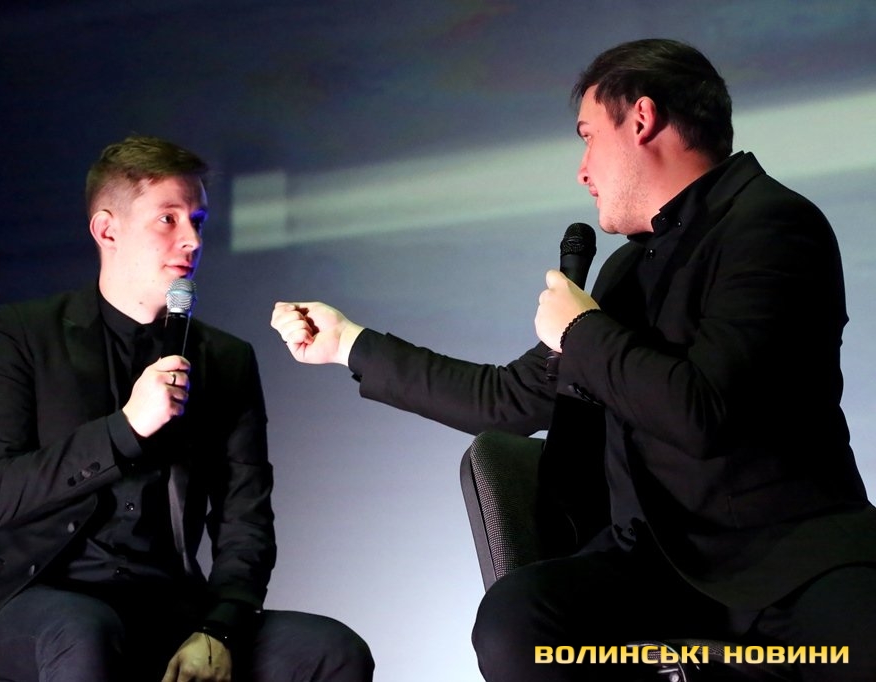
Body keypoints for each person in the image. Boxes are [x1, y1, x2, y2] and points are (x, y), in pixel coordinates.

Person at [270, 39, 876, 682]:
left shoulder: (774, 225)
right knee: (518, 621)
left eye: (588, 138)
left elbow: (706, 412)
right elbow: (509, 398)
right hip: (656, 569)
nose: (583, 170)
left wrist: (583, 330)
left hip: (788, 562)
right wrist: (347, 342)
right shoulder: (625, 270)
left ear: (641, 119)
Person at [0, 135, 374, 682]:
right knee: (83, 632)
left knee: (331, 650)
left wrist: (217, 630)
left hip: (166, 607)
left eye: (198, 221)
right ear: (107, 230)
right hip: (36, 601)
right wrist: (124, 428)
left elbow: (245, 520)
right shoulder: (25, 333)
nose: (192, 240)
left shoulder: (225, 359)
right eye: (168, 219)